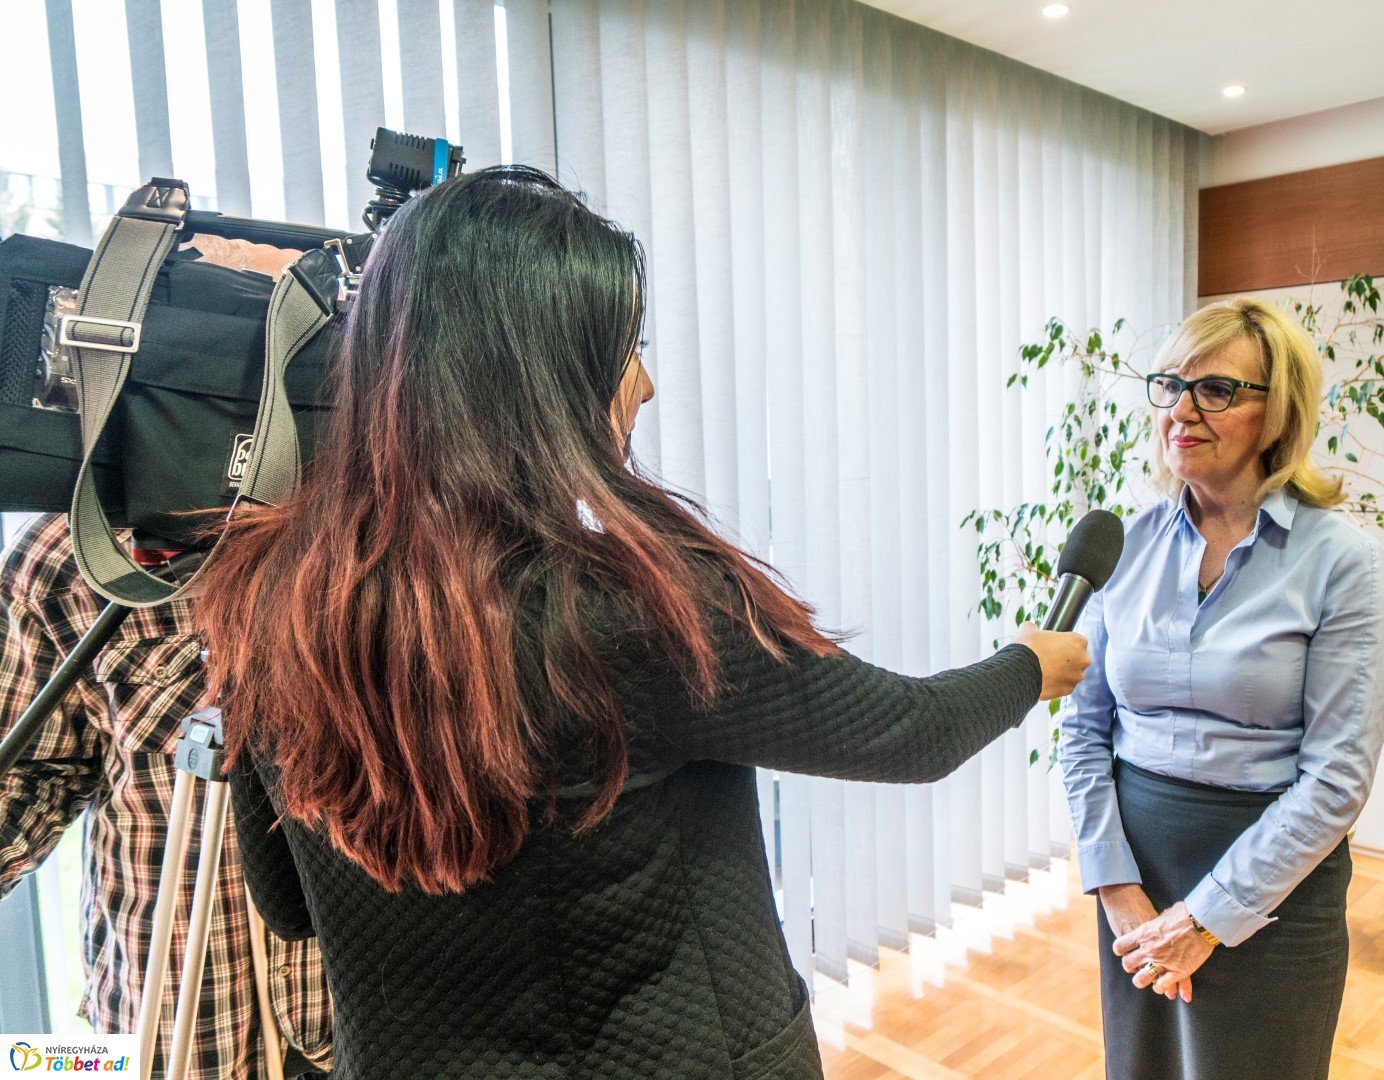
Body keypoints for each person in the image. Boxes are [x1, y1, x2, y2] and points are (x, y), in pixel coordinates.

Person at [191, 165, 1091, 1080]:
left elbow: (290, 904)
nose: (647, 384)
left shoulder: (265, 601)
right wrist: (1030, 663)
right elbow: (908, 733)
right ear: (536, 377)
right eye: (624, 349)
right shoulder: (623, 616)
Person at [1058, 297, 1384, 1080]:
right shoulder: (1124, 544)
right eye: (1170, 383)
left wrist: (1206, 919)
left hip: (1274, 885)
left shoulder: (1341, 562)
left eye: (1214, 390)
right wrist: (1115, 890)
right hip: (1136, 878)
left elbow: (1338, 776)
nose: (1180, 409)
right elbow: (1082, 731)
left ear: (1276, 415)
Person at [0, 515, 332, 1080]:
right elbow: (26, 778)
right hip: (169, 1016)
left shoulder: (380, 509)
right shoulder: (75, 550)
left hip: (361, 1004)